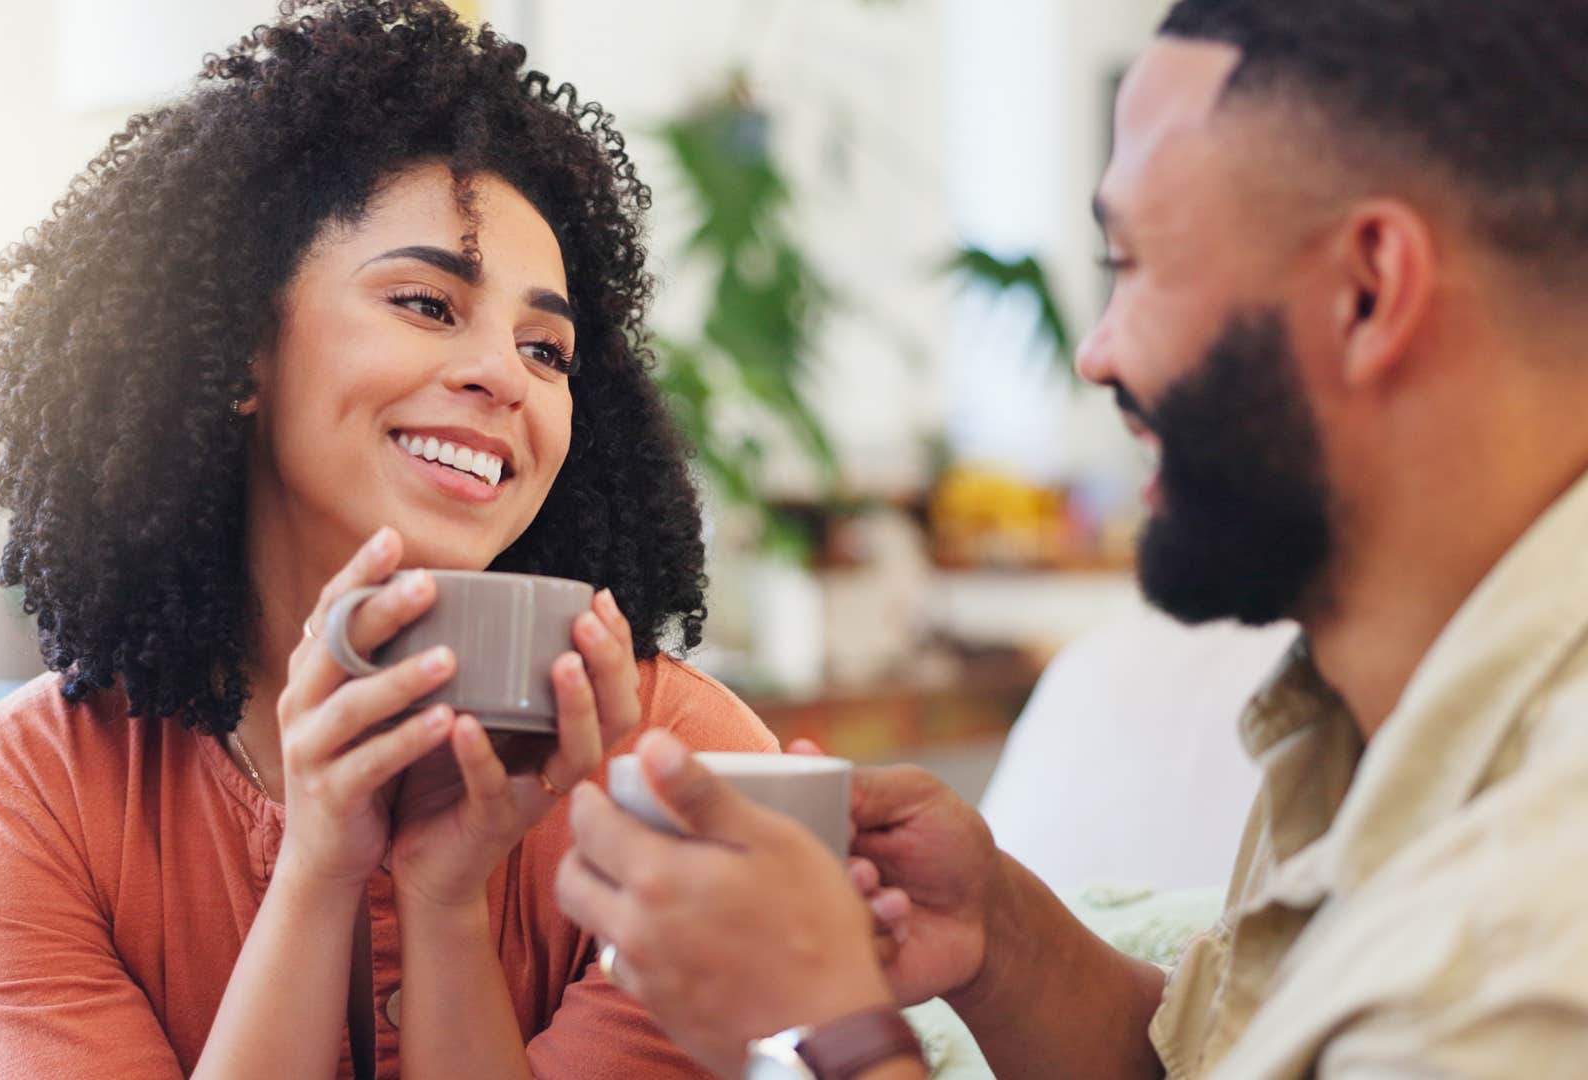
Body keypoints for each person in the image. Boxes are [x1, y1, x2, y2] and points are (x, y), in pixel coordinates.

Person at [556, 1, 1588, 1076]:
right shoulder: (1367, 723)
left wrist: (841, 1018)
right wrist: (997, 933)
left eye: (1132, 265)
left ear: (1368, 290)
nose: (1097, 354)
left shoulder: (1532, 923)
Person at [0, 2, 778, 1078]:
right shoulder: (34, 786)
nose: (505, 375)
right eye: (427, 303)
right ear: (238, 349)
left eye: (548, 350)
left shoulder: (688, 763)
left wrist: (444, 898)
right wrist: (318, 865)